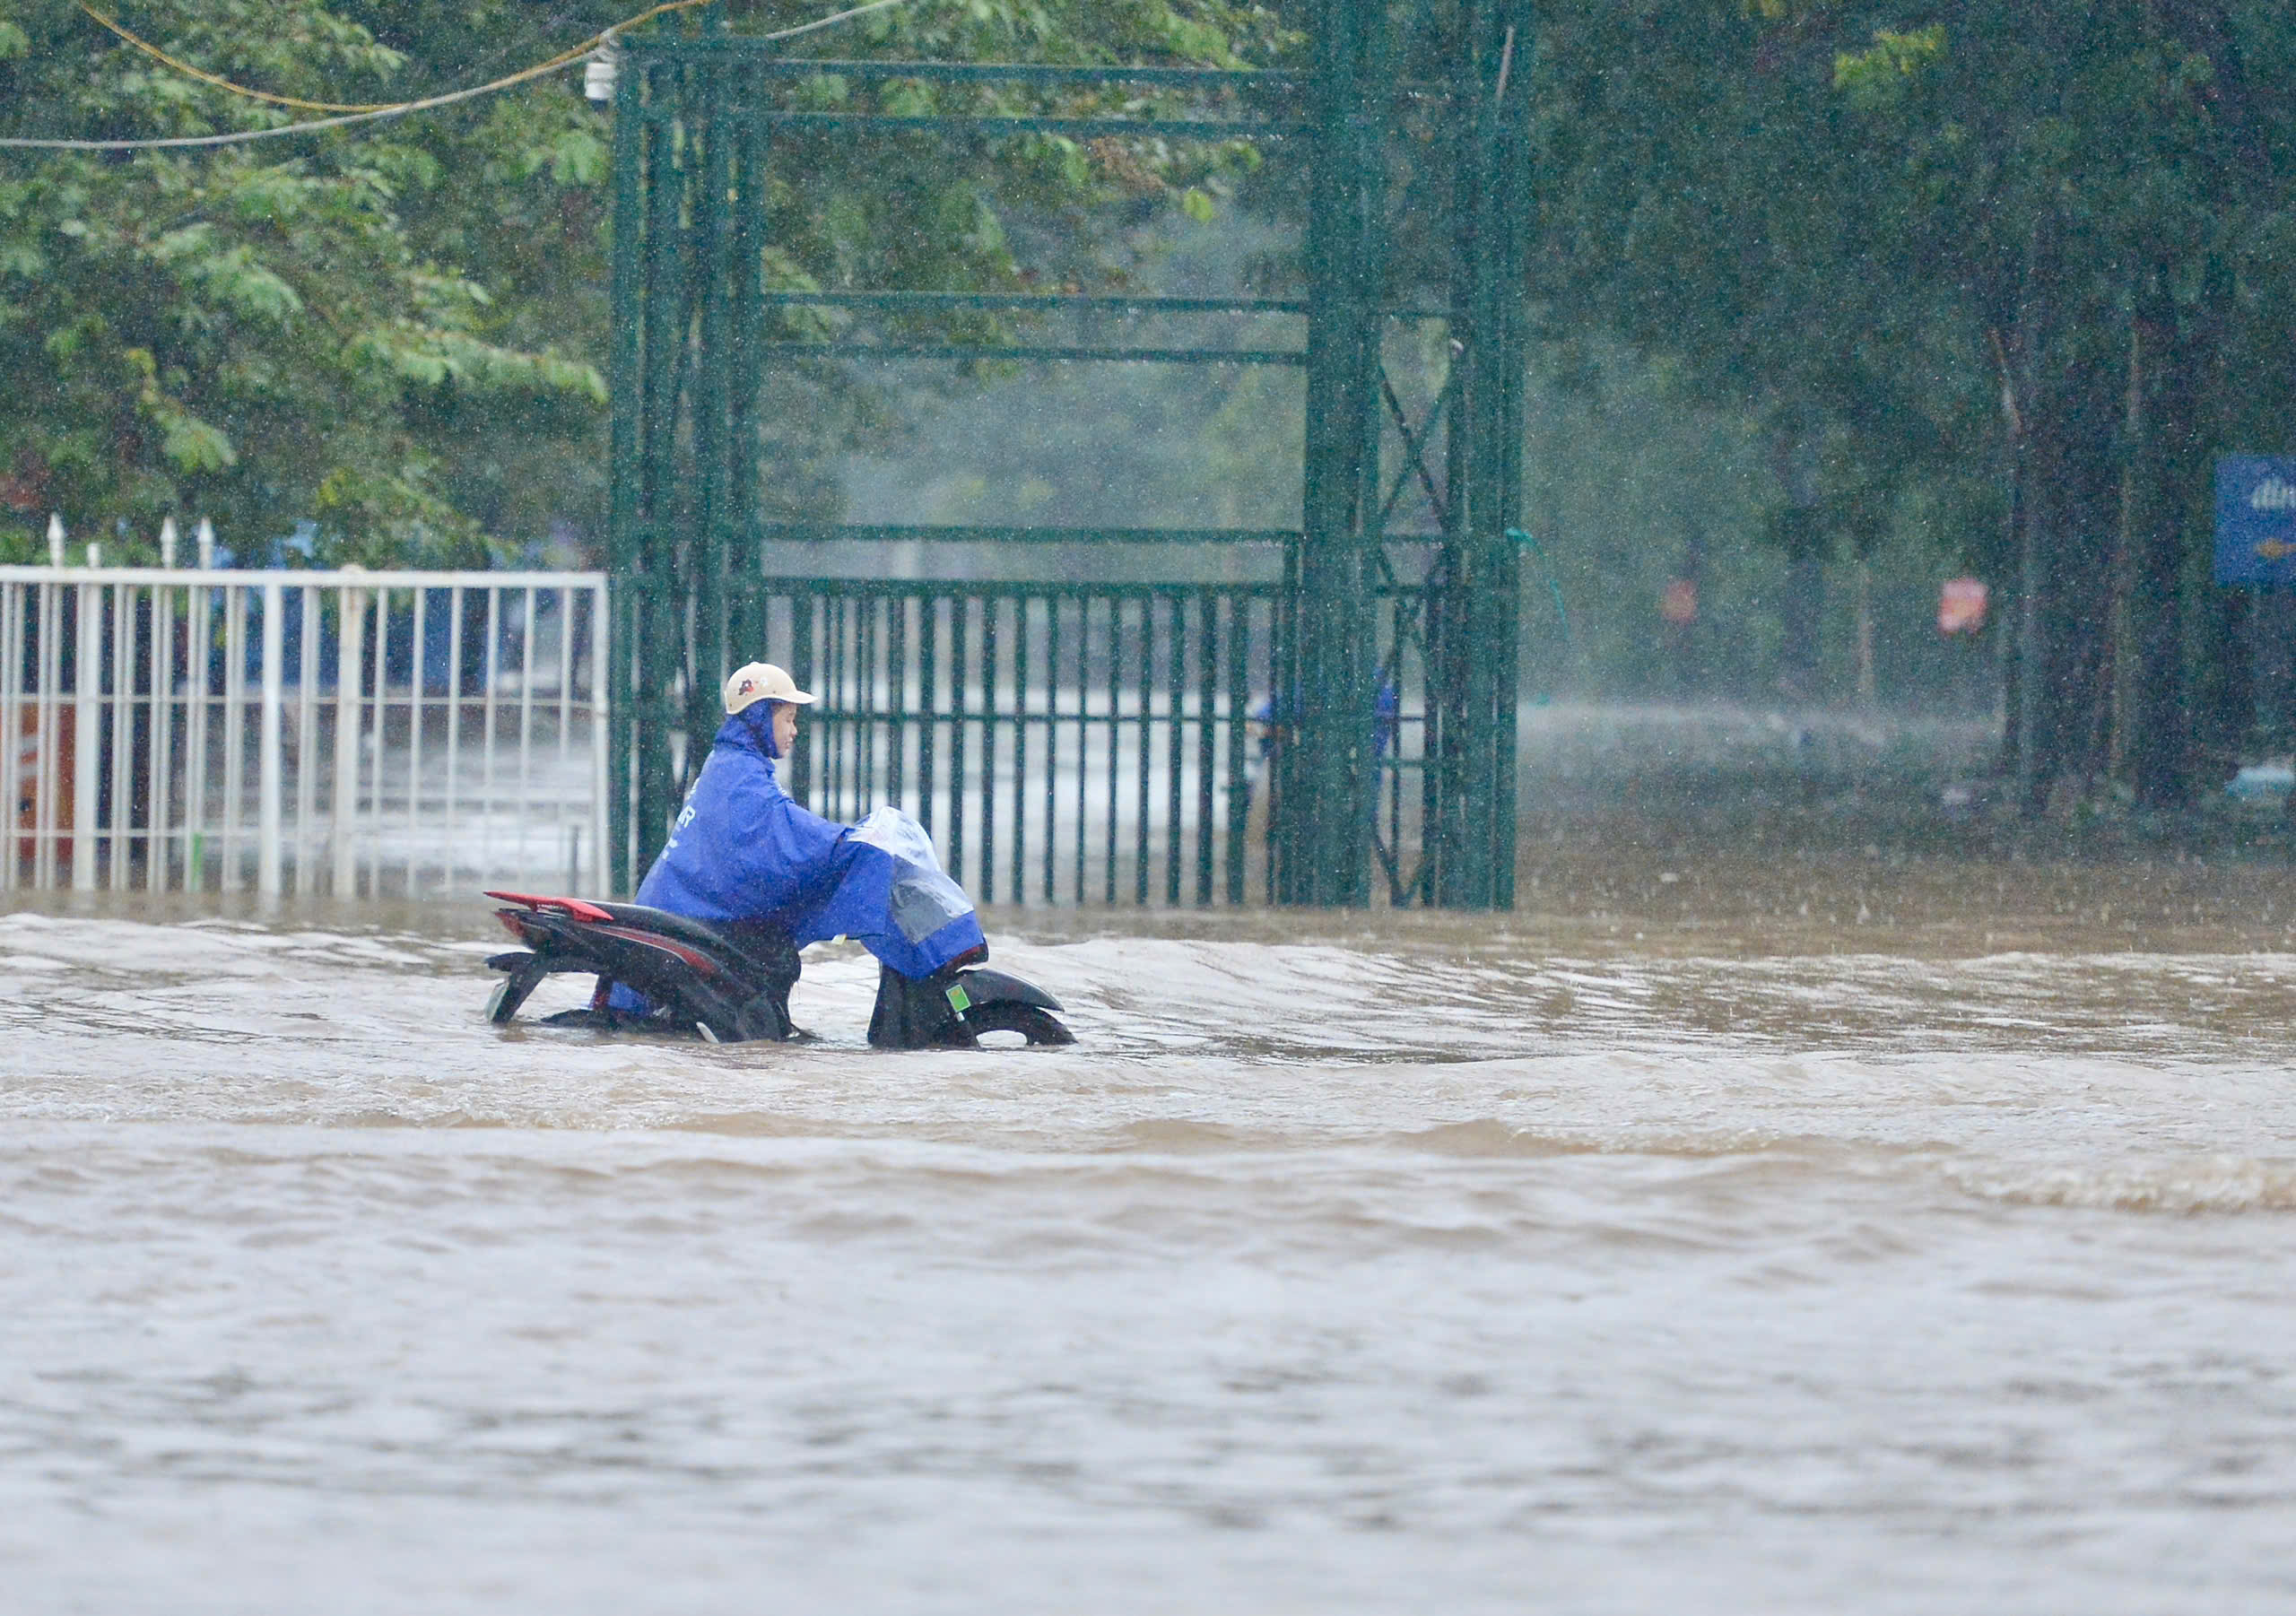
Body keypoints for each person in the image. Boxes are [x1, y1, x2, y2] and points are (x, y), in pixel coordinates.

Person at [623, 660, 989, 1045]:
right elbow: (786, 840)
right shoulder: (741, 777)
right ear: (760, 717)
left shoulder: (737, 766)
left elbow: (780, 836)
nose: (794, 730)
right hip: (685, 927)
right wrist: (847, 844)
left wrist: (842, 839)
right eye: (788, 718)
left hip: (685, 920)